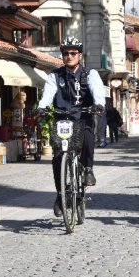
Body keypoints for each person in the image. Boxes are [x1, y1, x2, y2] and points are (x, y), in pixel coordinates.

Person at [36, 37, 105, 217]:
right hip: (62, 118)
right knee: (58, 156)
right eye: (66, 53)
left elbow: (97, 90)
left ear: (80, 55)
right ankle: (60, 195)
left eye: (73, 53)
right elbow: (48, 94)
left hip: (83, 115)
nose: (69, 56)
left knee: (89, 135)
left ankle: (88, 169)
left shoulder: (89, 74)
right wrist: (42, 107)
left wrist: (98, 104)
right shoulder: (55, 75)